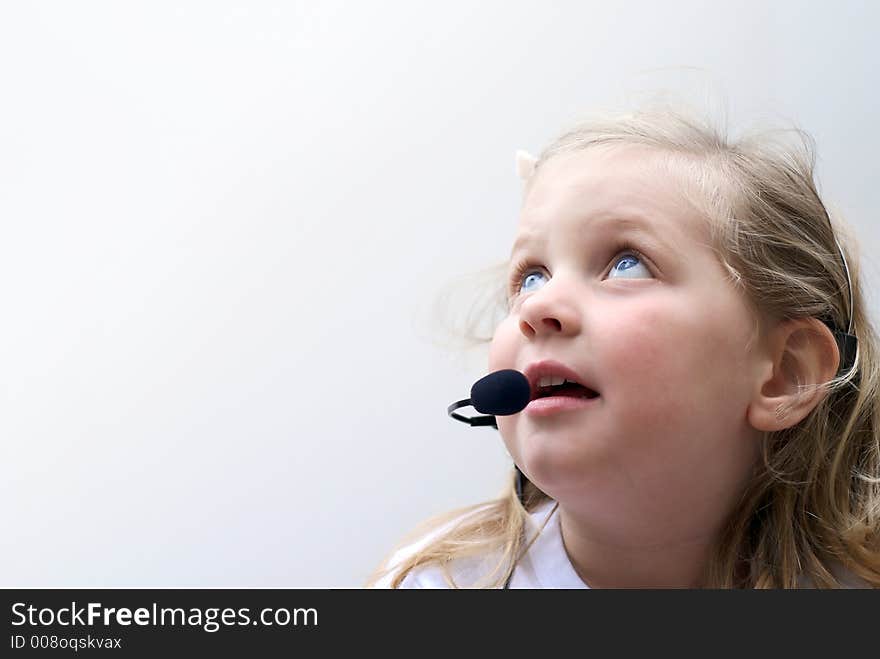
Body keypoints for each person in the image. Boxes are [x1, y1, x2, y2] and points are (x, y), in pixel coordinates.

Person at [367, 100, 880, 588]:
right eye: (530, 277)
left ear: (786, 373)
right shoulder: (439, 584)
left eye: (626, 264)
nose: (538, 308)